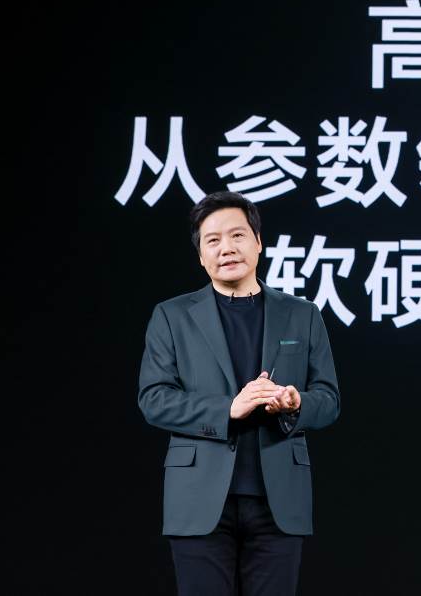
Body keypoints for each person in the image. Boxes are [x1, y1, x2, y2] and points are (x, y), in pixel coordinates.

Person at [138, 191, 340, 596]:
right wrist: (228, 408)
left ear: (258, 242)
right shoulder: (172, 315)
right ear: (201, 256)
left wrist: (296, 403)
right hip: (198, 499)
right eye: (212, 240)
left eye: (237, 235)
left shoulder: (302, 314)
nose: (226, 248)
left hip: (278, 500)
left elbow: (329, 399)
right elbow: (154, 399)